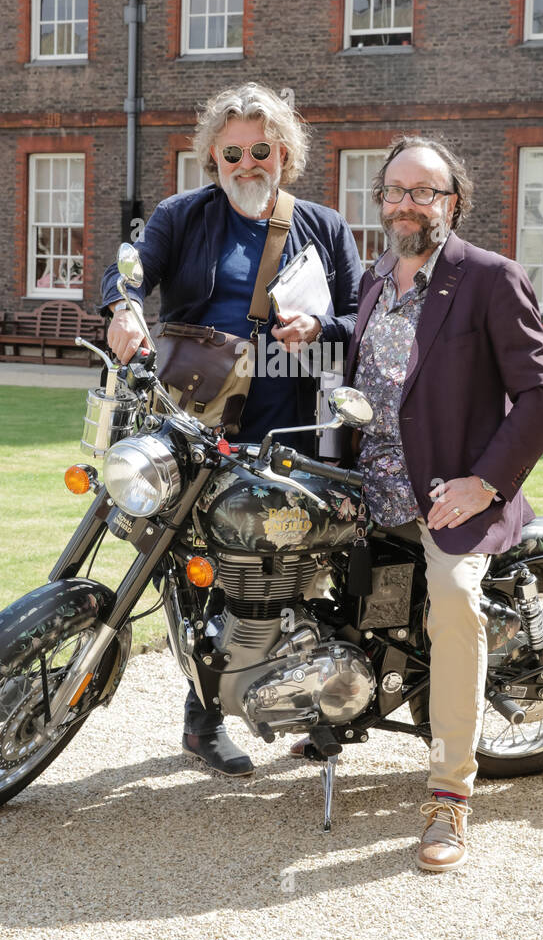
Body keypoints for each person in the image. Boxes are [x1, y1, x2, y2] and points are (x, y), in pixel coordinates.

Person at [101, 82, 361, 777]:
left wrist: (321, 328)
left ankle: (316, 704)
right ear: (213, 155)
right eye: (234, 151)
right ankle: (204, 719)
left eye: (264, 149)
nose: (250, 163)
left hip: (291, 432)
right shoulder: (181, 216)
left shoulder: (326, 227)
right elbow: (130, 274)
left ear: (285, 153)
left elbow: (364, 317)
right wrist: (122, 310)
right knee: (197, 575)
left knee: (299, 569)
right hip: (192, 423)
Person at [337, 135, 543, 871]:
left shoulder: (491, 279)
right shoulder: (374, 280)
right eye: (396, 191)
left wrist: (484, 483)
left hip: (451, 494)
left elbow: (540, 396)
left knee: (452, 599)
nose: (408, 203)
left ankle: (449, 795)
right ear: (381, 201)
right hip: (365, 486)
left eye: (424, 192)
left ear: (452, 203)